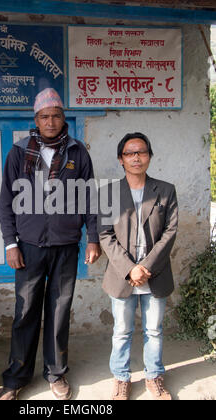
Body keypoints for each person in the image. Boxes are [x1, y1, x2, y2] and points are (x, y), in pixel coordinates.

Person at [0, 88, 101, 400]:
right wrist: (9, 244)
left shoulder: (78, 152)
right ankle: (16, 378)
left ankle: (56, 374)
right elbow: (6, 201)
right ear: (36, 120)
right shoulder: (18, 152)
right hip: (28, 246)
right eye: (45, 116)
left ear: (63, 118)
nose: (51, 121)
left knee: (59, 311)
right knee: (25, 311)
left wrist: (93, 237)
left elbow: (91, 198)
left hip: (66, 246)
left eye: (56, 115)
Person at [99, 132, 178, 400]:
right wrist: (130, 268)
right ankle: (121, 377)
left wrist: (145, 267)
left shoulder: (165, 190)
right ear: (121, 159)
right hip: (123, 275)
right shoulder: (108, 192)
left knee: (154, 329)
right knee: (122, 330)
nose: (136, 157)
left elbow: (171, 231)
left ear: (149, 156)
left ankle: (154, 376)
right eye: (130, 153)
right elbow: (105, 235)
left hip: (154, 274)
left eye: (141, 152)